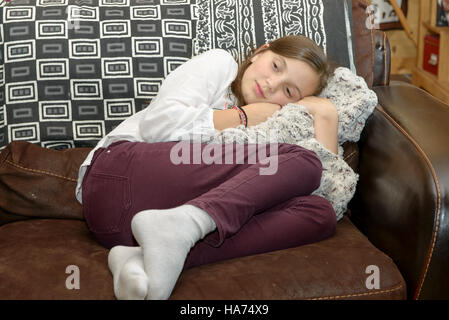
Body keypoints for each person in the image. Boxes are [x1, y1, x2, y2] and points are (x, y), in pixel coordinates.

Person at [76, 35, 339, 300]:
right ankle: (180, 228)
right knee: (304, 160)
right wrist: (242, 117)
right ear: (260, 52)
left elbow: (326, 194)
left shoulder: (276, 129)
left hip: (122, 230)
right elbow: (157, 125)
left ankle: (144, 257)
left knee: (319, 213)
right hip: (117, 176)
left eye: (289, 91)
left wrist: (327, 116)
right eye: (275, 66)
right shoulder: (221, 64)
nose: (272, 85)